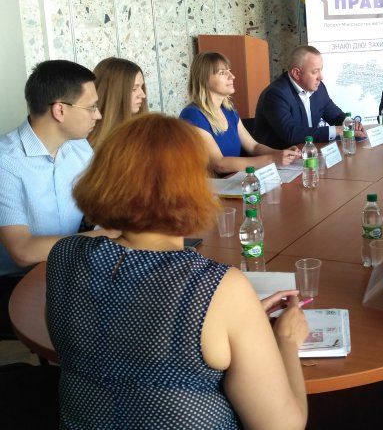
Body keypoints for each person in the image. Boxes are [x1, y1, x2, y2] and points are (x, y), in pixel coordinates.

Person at [46, 114, 308, 429]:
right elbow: (282, 426)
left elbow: (111, 340)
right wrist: (286, 340)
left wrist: (243, 320)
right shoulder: (217, 287)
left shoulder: (64, 255)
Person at [0, 60, 118, 336]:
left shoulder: (79, 148)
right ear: (60, 110)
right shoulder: (6, 162)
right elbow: (22, 251)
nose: (98, 115)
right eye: (91, 107)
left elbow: (104, 206)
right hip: (17, 283)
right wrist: (108, 235)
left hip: (68, 269)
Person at [180, 51, 300, 175]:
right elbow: (219, 164)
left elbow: (253, 147)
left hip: (232, 179)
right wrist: (272, 159)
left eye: (229, 71)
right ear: (203, 79)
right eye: (222, 72)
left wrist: (281, 153)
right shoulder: (192, 115)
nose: (232, 76)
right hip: (208, 185)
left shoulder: (228, 110)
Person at [252, 45, 365, 149]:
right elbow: (292, 134)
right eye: (315, 72)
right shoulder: (275, 94)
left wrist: (350, 124)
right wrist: (337, 130)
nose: (321, 77)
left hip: (310, 151)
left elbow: (335, 115)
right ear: (296, 73)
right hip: (280, 158)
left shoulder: (319, 88)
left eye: (321, 70)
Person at [87, 57, 148, 149]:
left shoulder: (147, 135)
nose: (143, 95)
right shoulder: (81, 145)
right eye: (134, 89)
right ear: (113, 93)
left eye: (142, 87)